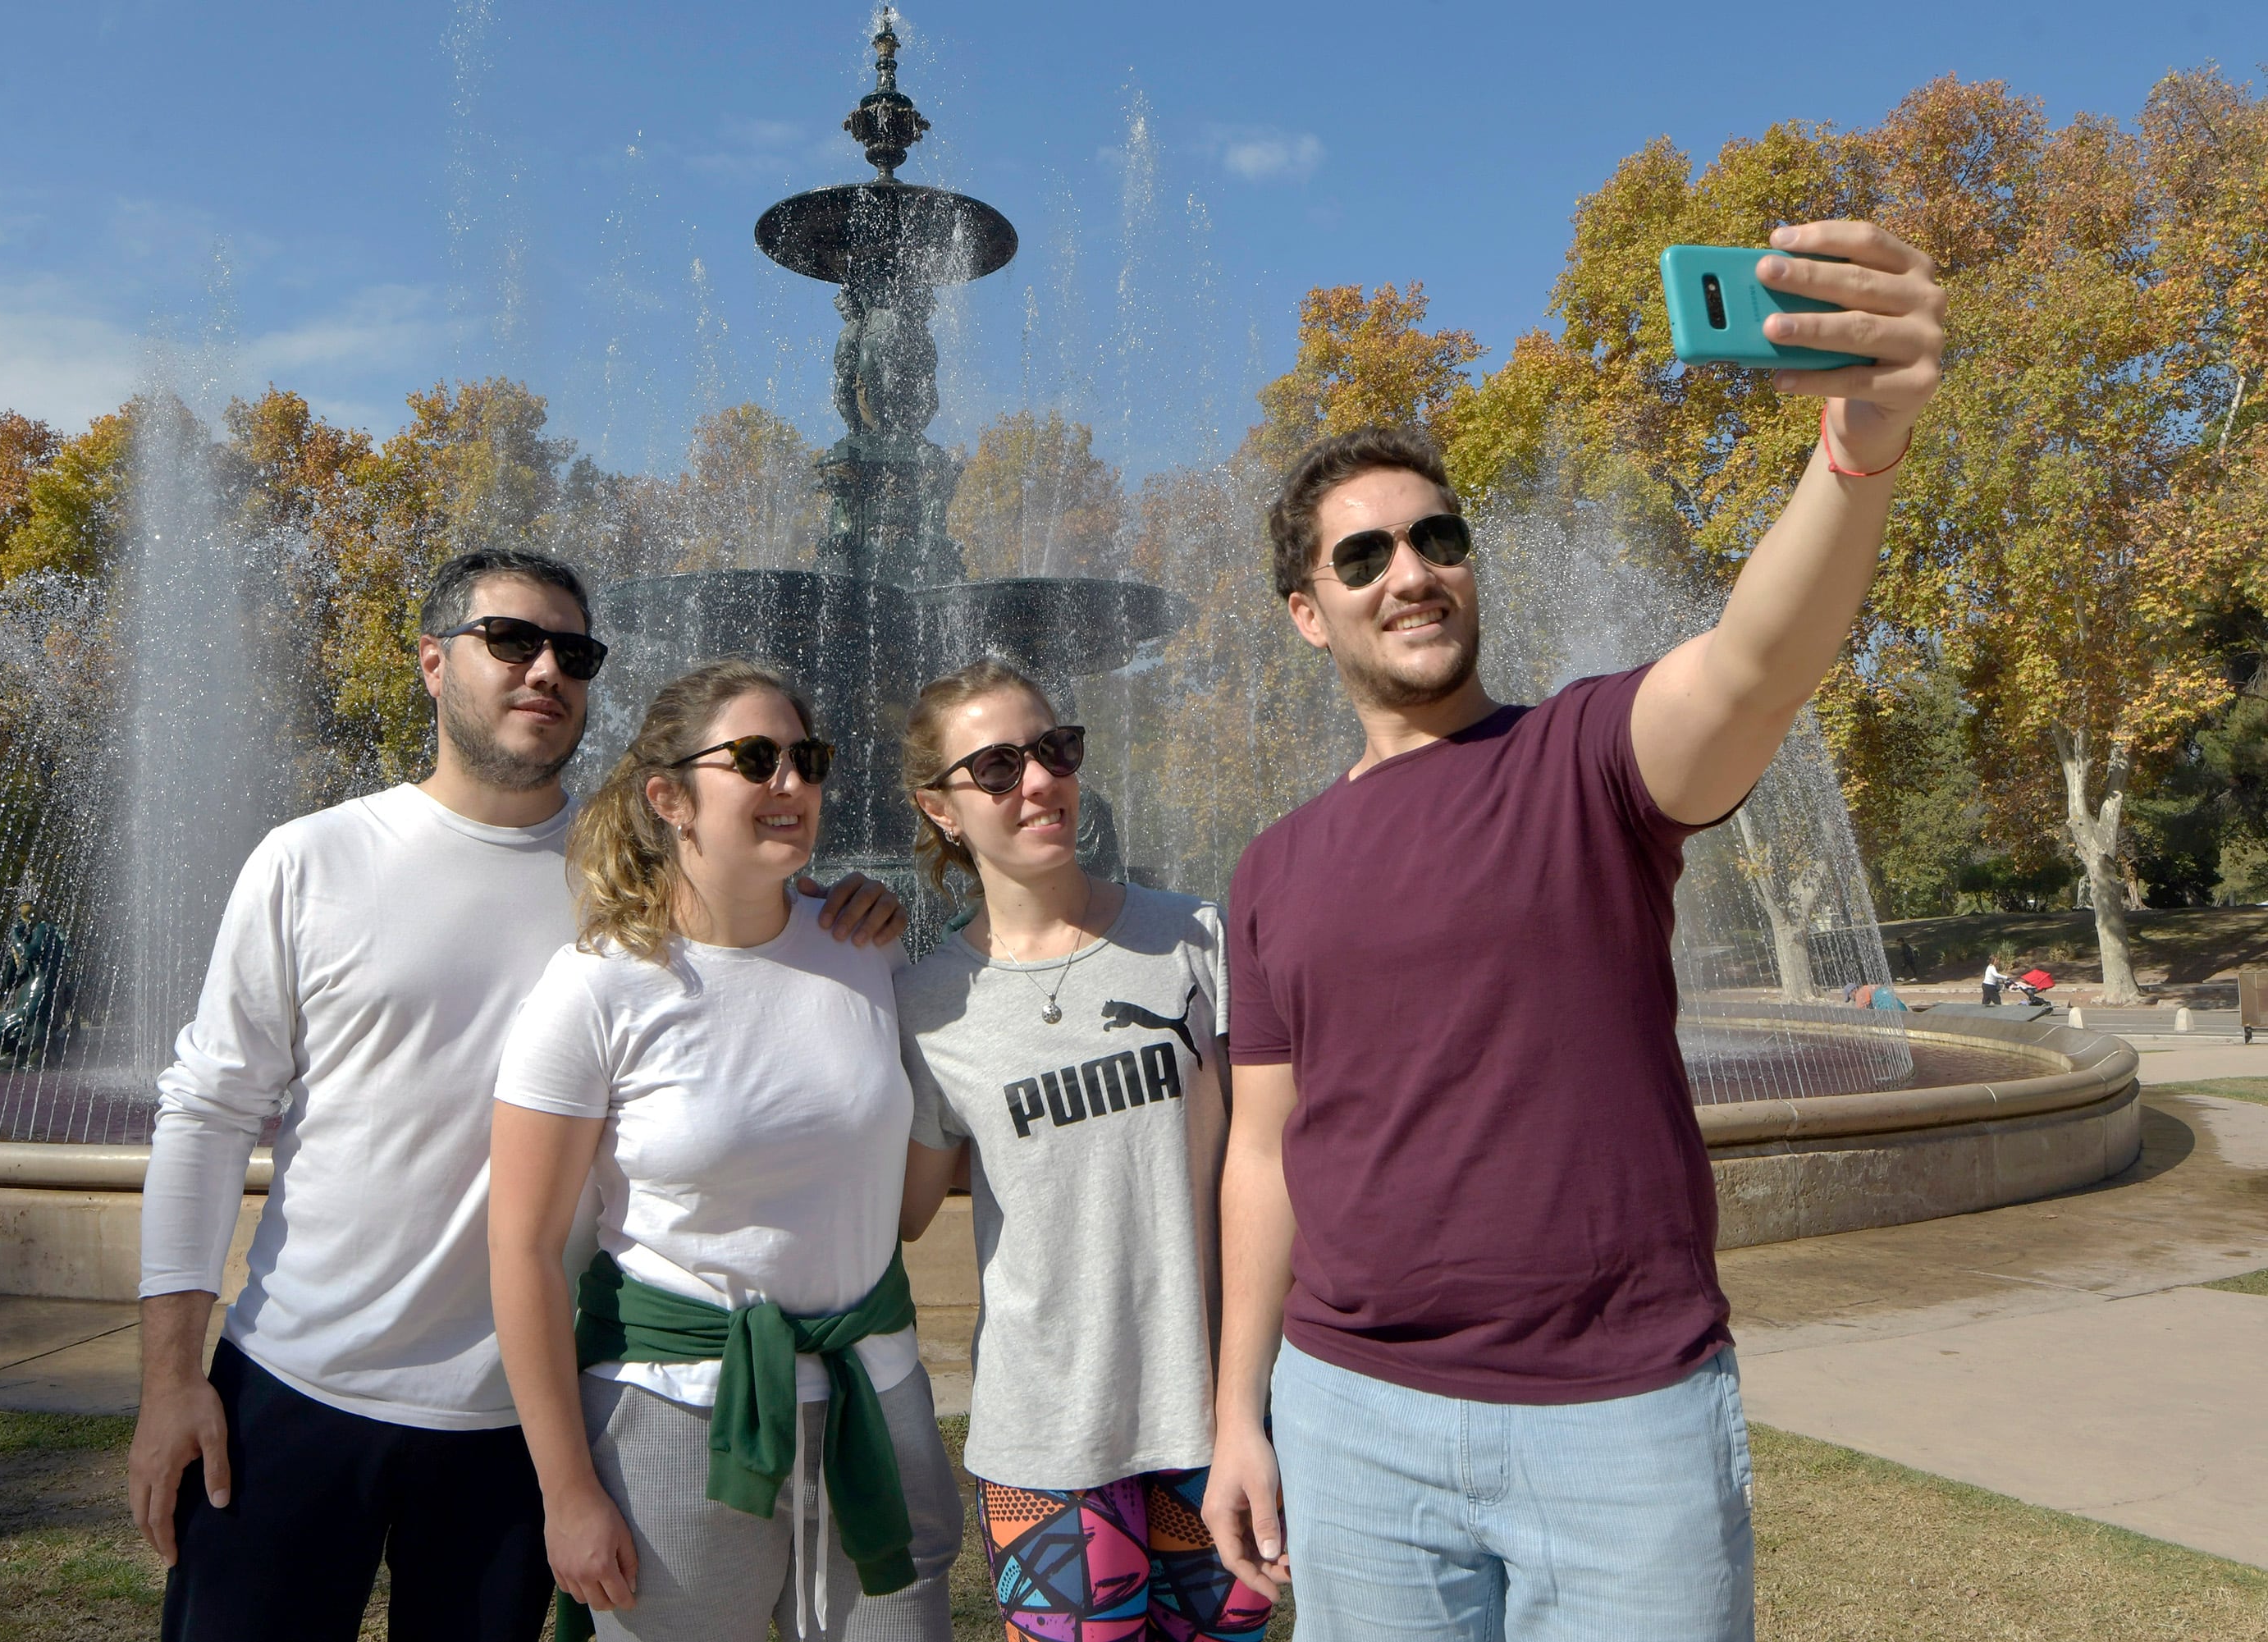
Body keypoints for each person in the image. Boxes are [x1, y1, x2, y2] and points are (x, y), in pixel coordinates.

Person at [1205, 220, 1946, 1640]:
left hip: (1619, 1423)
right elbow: (1260, 1149)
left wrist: (1857, 449)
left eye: (1437, 537)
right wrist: (1240, 1413)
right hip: (1351, 1418)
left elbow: (1757, 660)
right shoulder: (1273, 866)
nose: (1409, 571)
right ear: (1309, 613)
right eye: (1362, 557)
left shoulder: (1587, 759)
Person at [128, 556, 904, 1642]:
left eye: (574, 654)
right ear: (433, 661)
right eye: (511, 641)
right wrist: (171, 1381)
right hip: (299, 1386)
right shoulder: (312, 860)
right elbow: (205, 1115)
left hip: (519, 1426)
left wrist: (851, 903)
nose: (546, 671)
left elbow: (760, 935)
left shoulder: (632, 872)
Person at [489, 658, 962, 1642]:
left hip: (877, 1402)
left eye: (808, 758)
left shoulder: (867, 948)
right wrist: (567, 1490)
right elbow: (524, 1250)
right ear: (669, 798)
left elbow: (907, 1195)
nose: (789, 782)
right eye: (755, 759)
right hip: (676, 1423)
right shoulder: (594, 989)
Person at [891, 661, 1273, 1642]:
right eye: (997, 766)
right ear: (939, 809)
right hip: (1044, 1435)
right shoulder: (929, 1004)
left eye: (1054, 750)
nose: (1038, 781)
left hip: (1214, 1416)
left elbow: (1265, 1158)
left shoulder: (1190, 937)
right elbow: (897, 1212)